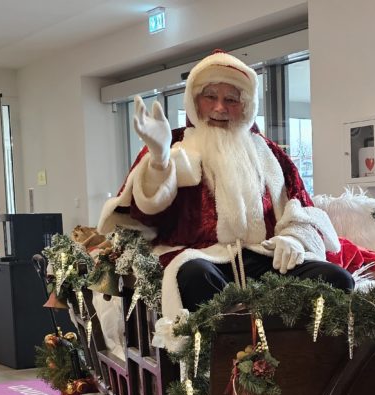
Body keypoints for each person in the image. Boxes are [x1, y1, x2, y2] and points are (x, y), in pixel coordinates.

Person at [99, 50, 352, 323]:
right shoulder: (173, 147)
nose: (220, 107)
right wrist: (159, 161)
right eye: (210, 97)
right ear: (195, 101)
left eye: (231, 99)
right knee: (194, 277)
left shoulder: (269, 153)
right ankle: (232, 352)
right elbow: (145, 214)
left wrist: (293, 239)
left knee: (336, 279)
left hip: (263, 256)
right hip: (203, 259)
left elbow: (301, 207)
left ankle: (293, 348)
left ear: (246, 106)